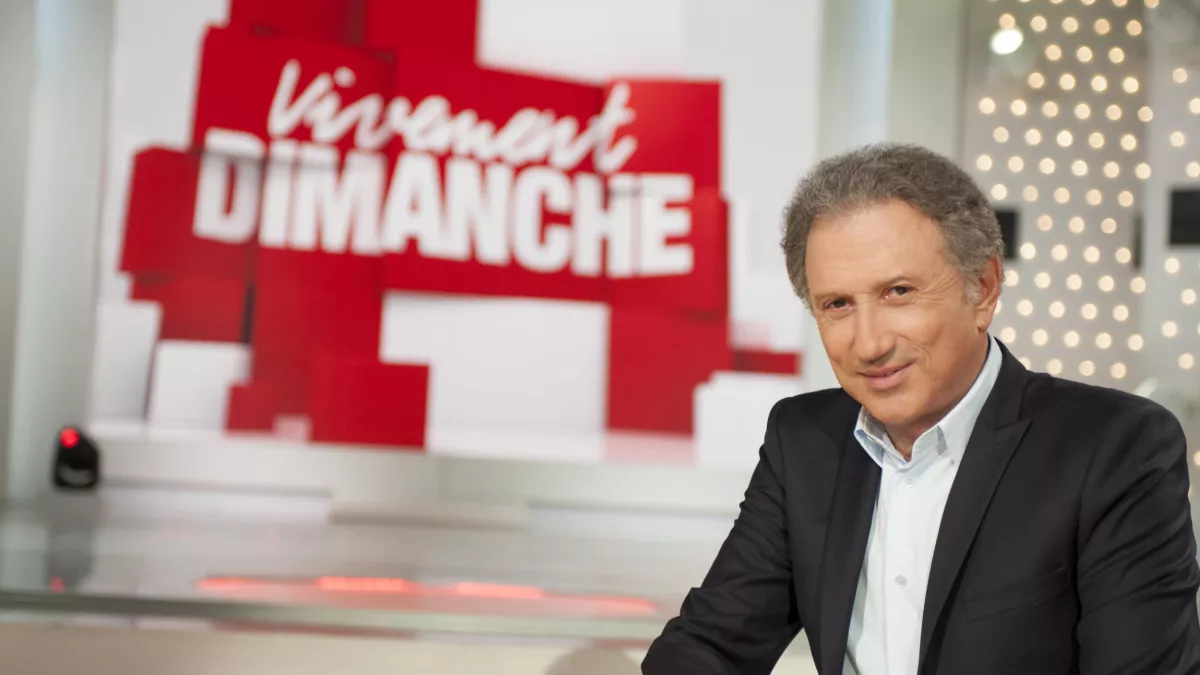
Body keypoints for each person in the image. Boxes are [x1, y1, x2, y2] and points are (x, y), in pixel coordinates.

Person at [642, 143, 1200, 675]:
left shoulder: (1113, 447)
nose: (869, 344)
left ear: (983, 288)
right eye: (837, 304)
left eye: (899, 292)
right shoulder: (804, 439)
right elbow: (712, 643)